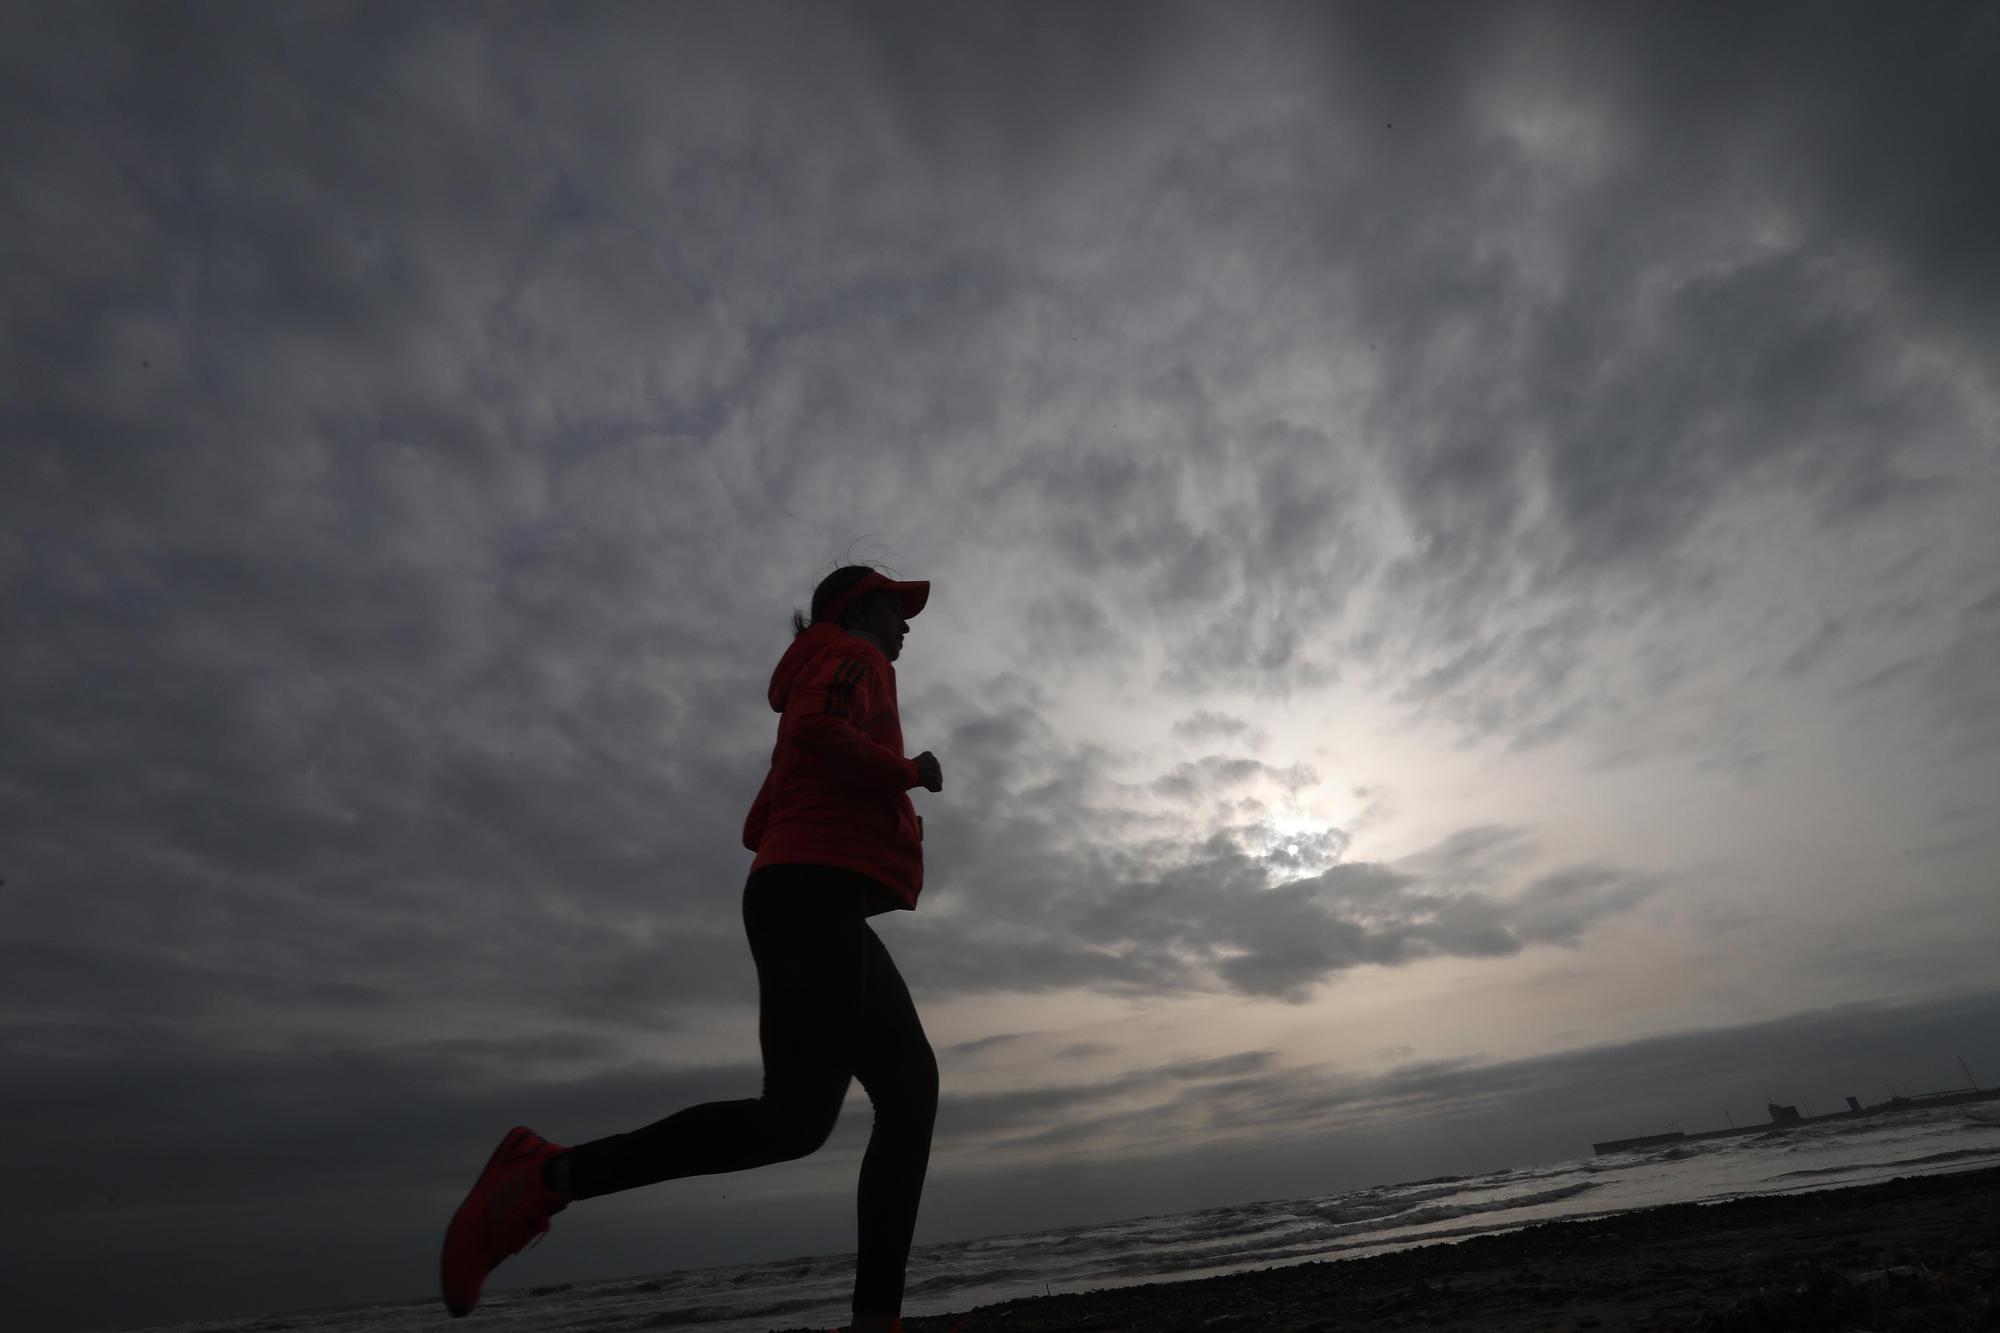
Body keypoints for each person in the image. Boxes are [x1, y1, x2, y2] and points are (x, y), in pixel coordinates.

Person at [441, 565, 945, 1333]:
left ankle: (878, 1320)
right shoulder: (853, 656)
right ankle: (545, 1174)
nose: (906, 623)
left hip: (808, 894)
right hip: (811, 896)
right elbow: (820, 732)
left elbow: (766, 814)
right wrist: (907, 774)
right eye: (895, 608)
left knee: (908, 1090)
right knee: (797, 1121)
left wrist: (888, 820)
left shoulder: (826, 666)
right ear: (858, 607)